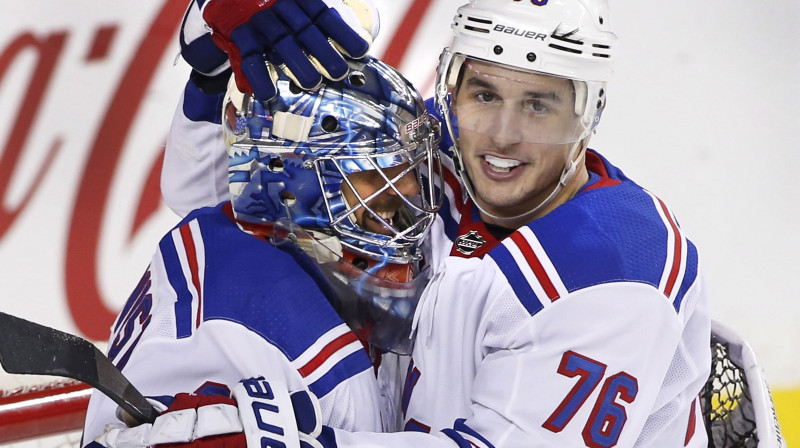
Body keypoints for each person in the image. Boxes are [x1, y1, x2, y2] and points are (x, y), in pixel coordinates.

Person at [153, 0, 713, 445]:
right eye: (484, 93)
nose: (501, 135)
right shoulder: (427, 147)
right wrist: (214, 72)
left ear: (587, 116)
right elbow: (215, 198)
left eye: (538, 105)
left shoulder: (615, 272)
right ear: (449, 87)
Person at [82, 55, 443, 447]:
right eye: (375, 172)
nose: (408, 190)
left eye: (408, 168)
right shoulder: (234, 326)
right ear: (290, 181)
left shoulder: (262, 247)